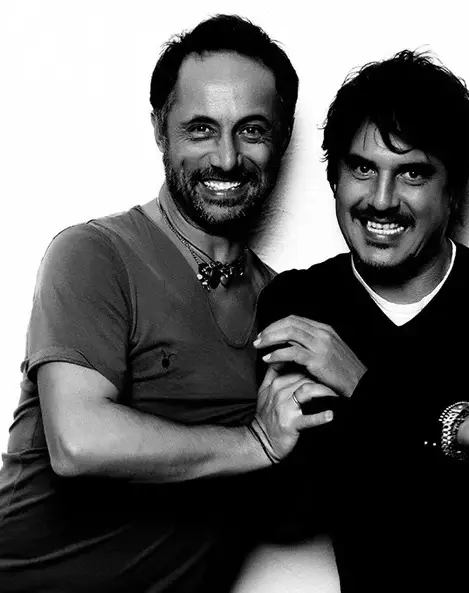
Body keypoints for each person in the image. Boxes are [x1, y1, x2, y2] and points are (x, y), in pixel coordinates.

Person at [0, 14, 333, 593]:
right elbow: (79, 442)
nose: (226, 159)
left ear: (281, 139)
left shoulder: (286, 306)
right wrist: (254, 442)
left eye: (252, 130)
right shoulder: (95, 254)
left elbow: (289, 508)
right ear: (160, 130)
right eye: (201, 129)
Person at [255, 50, 469, 590]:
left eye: (413, 173)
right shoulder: (300, 305)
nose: (381, 200)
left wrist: (359, 385)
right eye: (363, 168)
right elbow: (298, 510)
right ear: (334, 179)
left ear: (453, 189)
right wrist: (465, 432)